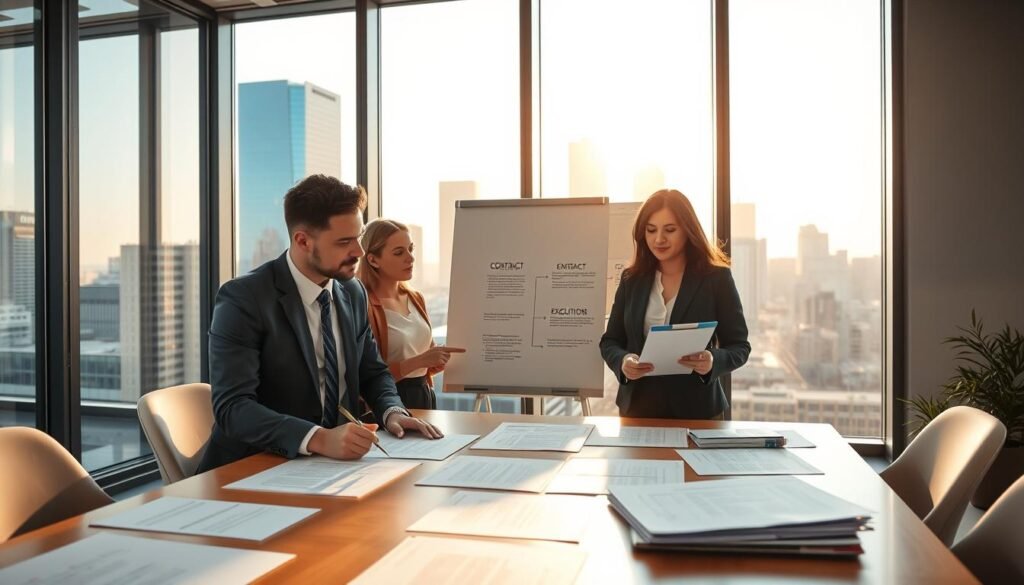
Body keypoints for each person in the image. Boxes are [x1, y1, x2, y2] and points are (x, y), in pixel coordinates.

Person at [198, 175, 442, 473]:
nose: (359, 252)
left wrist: (391, 411)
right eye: (344, 242)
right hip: (253, 466)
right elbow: (233, 409)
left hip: (332, 467)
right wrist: (318, 439)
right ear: (302, 241)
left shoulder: (351, 292)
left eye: (359, 237)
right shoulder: (243, 299)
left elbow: (373, 372)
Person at [600, 189, 750, 419]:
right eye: (651, 230)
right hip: (638, 410)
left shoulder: (716, 279)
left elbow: (739, 346)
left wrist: (712, 360)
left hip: (698, 411)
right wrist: (623, 361)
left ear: (688, 231)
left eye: (670, 230)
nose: (659, 239)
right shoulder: (632, 279)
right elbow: (610, 341)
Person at [358, 219, 465, 410]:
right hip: (389, 401)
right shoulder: (364, 305)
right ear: (373, 260)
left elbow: (424, 362)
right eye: (399, 252)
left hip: (423, 395)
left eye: (411, 249)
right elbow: (366, 378)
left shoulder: (415, 298)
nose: (410, 258)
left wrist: (437, 361)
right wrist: (421, 360)